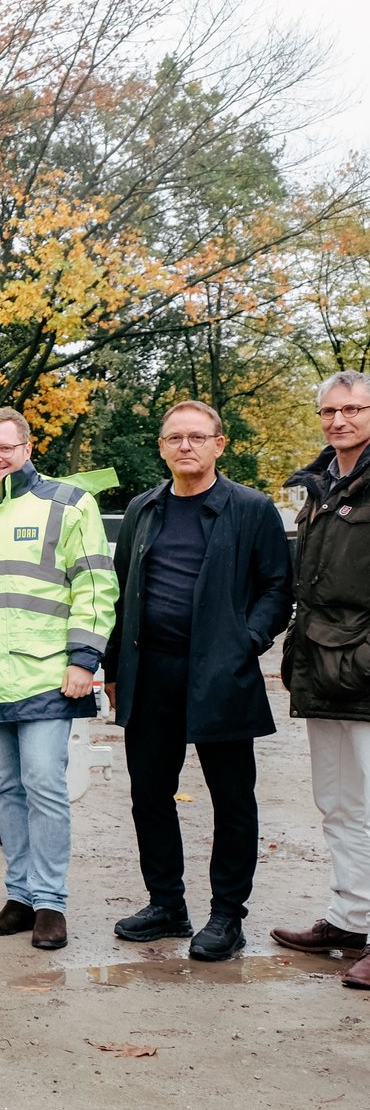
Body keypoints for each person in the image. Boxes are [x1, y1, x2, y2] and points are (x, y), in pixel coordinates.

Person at [0, 408, 116, 951]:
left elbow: (96, 586)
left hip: (49, 676)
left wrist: (84, 659)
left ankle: (51, 902)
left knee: (44, 785)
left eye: (5, 447)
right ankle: (22, 896)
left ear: (27, 448)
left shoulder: (69, 504)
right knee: (4, 788)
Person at [104, 402, 291, 961]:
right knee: (149, 795)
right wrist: (115, 668)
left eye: (196, 437)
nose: (185, 446)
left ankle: (227, 915)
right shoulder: (144, 509)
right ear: (162, 447)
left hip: (220, 672)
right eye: (174, 438)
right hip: (151, 671)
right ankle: (167, 904)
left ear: (219, 444)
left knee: (232, 799)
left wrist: (244, 641)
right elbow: (122, 592)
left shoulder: (252, 509)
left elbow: (277, 590)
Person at [272, 371, 370, 990]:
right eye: (329, 411)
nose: (339, 420)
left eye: (354, 409)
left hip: (363, 664)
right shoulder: (322, 487)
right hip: (324, 664)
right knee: (338, 800)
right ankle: (350, 914)